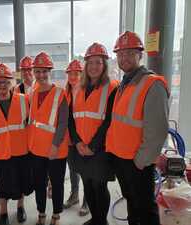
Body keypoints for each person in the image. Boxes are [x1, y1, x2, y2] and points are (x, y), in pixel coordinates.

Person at [106, 31, 169, 225]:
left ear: (140, 55)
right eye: (120, 54)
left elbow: (157, 131)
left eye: (129, 53)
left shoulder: (152, 84)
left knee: (146, 210)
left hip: (137, 162)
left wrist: (141, 161)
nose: (124, 58)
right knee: (133, 205)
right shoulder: (125, 83)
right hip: (122, 159)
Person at [69, 43, 119, 225]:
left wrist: (92, 146)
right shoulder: (77, 88)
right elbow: (70, 118)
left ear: (104, 65)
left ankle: (101, 221)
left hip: (100, 149)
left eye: (98, 62)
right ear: (86, 65)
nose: (94, 66)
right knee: (88, 184)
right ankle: (95, 219)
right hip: (81, 148)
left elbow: (109, 121)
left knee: (99, 186)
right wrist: (77, 143)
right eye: (90, 62)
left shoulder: (112, 87)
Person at [0, 63, 32, 225]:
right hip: (1, 151)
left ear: (12, 83)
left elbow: (31, 125)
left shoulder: (24, 100)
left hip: (22, 150)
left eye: (6, 82)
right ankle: (3, 212)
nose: (3, 85)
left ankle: (20, 207)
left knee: (22, 181)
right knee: (3, 183)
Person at [28, 52, 69, 225]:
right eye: (37, 71)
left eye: (44, 71)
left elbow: (62, 123)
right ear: (33, 73)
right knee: (39, 184)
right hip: (36, 148)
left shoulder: (60, 93)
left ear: (50, 72)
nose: (41, 75)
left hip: (55, 149)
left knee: (57, 184)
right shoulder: (33, 93)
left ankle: (56, 216)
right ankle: (42, 214)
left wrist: (54, 145)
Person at [63, 59, 89, 217]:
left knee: (85, 171)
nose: (73, 76)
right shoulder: (65, 92)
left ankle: (87, 201)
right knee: (73, 169)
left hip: (83, 139)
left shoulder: (85, 92)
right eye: (70, 73)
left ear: (82, 75)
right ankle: (74, 195)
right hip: (69, 140)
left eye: (76, 73)